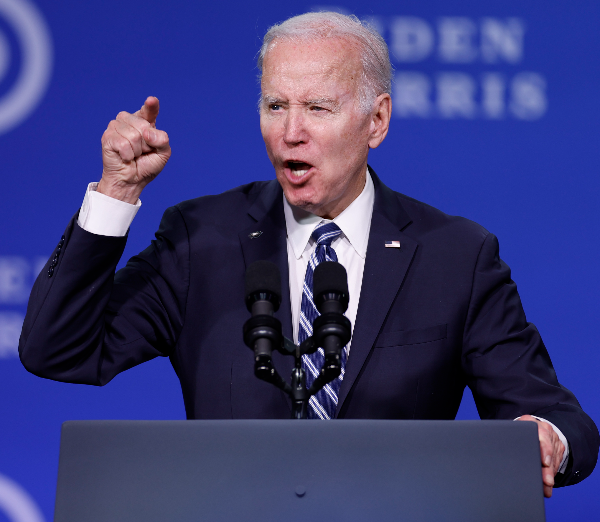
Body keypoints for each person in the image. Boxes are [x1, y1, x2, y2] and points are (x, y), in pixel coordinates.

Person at [19, 12, 598, 497]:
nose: (290, 132)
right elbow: (60, 350)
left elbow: (561, 421)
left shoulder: (454, 255)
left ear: (377, 120)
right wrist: (117, 193)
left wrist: (542, 435)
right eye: (275, 106)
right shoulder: (201, 240)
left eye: (318, 108)